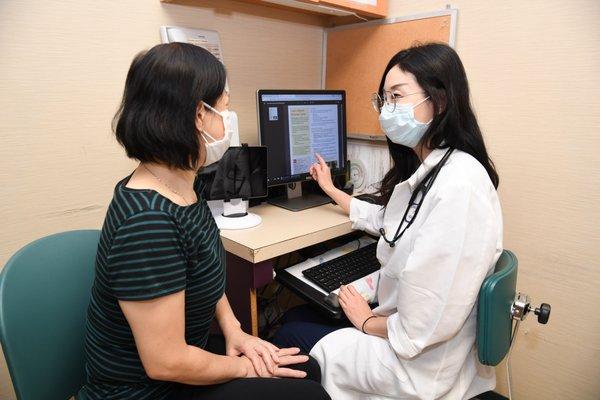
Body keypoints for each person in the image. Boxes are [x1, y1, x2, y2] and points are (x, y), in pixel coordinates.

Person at [82, 43, 330, 400]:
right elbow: (166, 363)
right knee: (309, 393)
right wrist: (245, 368)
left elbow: (203, 271)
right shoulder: (148, 222)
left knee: (308, 369)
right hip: (148, 390)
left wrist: (235, 331)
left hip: (183, 360)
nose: (227, 122)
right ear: (199, 115)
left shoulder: (185, 185)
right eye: (224, 111)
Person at [273, 43, 503, 399]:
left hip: (417, 368)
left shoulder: (460, 187)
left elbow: (419, 330)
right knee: (297, 318)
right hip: (415, 340)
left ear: (439, 101)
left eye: (397, 96)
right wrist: (334, 192)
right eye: (383, 99)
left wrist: (365, 320)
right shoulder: (439, 169)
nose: (387, 111)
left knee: (287, 332)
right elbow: (394, 222)